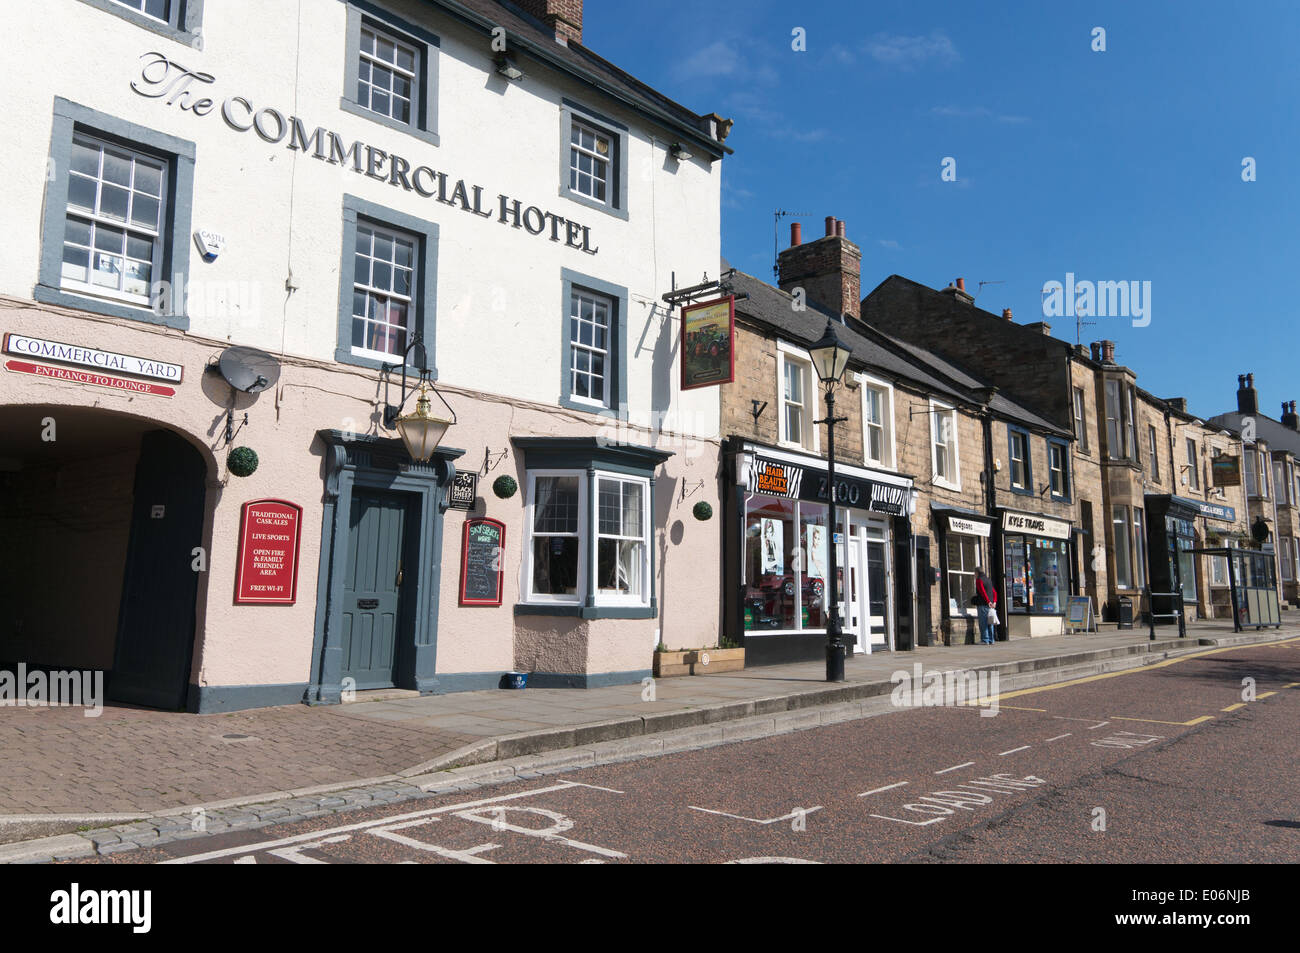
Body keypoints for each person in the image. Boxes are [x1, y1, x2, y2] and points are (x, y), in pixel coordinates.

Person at [972, 569, 998, 644]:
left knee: (983, 623)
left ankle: (985, 640)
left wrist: (988, 601)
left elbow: (982, 592)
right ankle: (991, 640)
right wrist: (994, 602)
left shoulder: (979, 580)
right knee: (990, 622)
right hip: (991, 605)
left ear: (977, 572)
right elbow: (994, 592)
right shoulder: (988, 580)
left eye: (975, 573)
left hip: (983, 604)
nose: (974, 575)